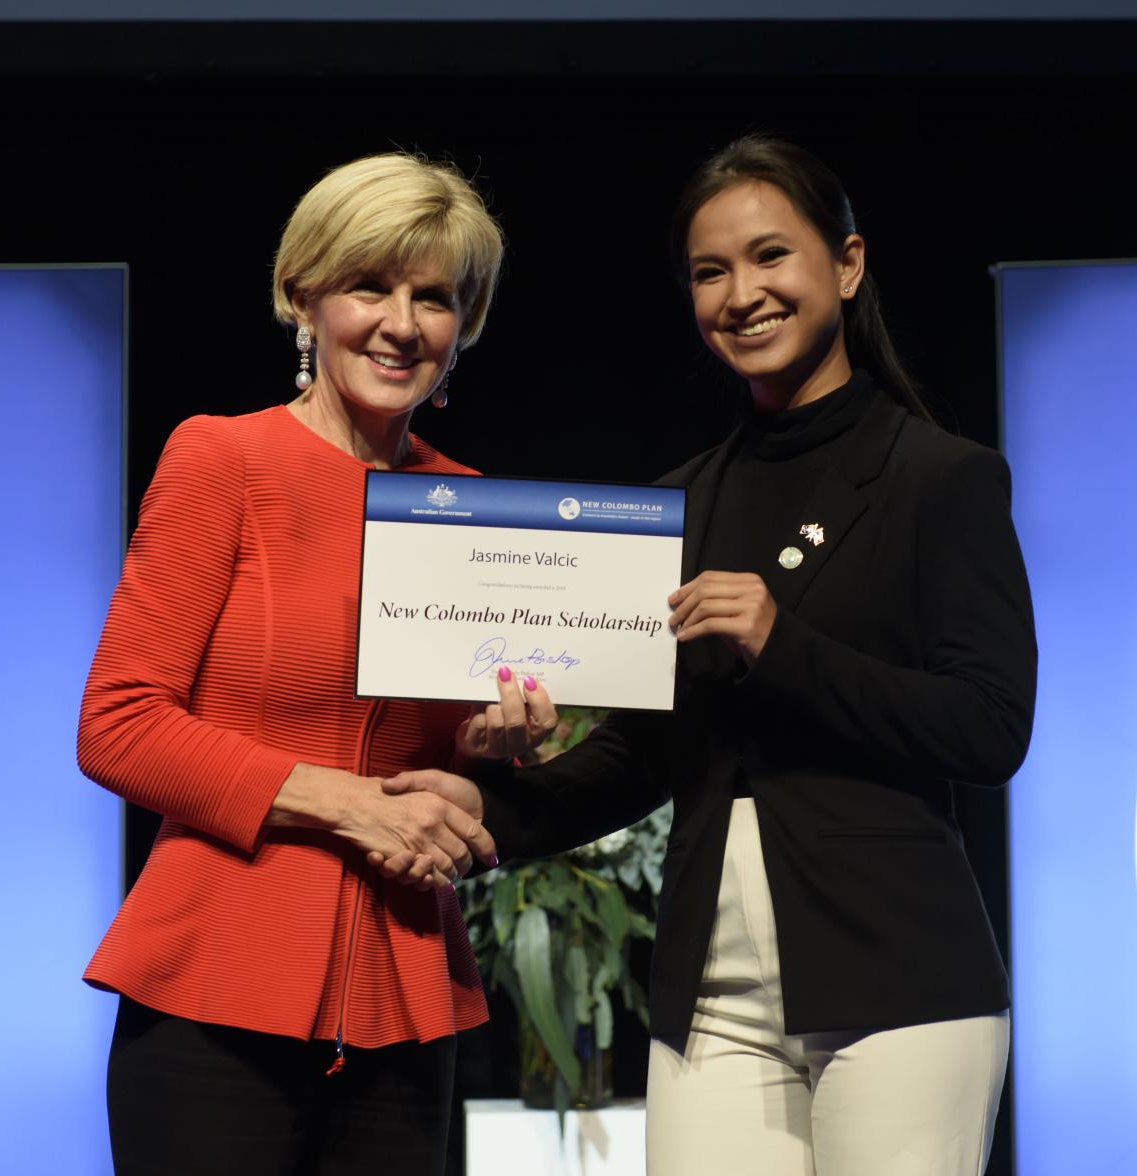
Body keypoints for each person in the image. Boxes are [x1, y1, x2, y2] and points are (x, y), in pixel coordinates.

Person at [382, 134, 1037, 1175]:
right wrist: (488, 812)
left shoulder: (937, 478)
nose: (743, 293)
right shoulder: (678, 502)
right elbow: (648, 754)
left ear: (848, 264)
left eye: (772, 256)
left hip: (899, 988)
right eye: (710, 271)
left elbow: (990, 726)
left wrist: (785, 643)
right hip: (708, 1003)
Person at [77, 151, 556, 1176]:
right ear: (306, 296)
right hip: (214, 985)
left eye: (435, 297)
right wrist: (346, 803)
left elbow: (439, 773)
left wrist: (488, 749)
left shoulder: (471, 503)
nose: (402, 321)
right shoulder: (223, 459)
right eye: (370, 285)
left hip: (403, 996)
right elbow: (118, 723)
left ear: (462, 325)